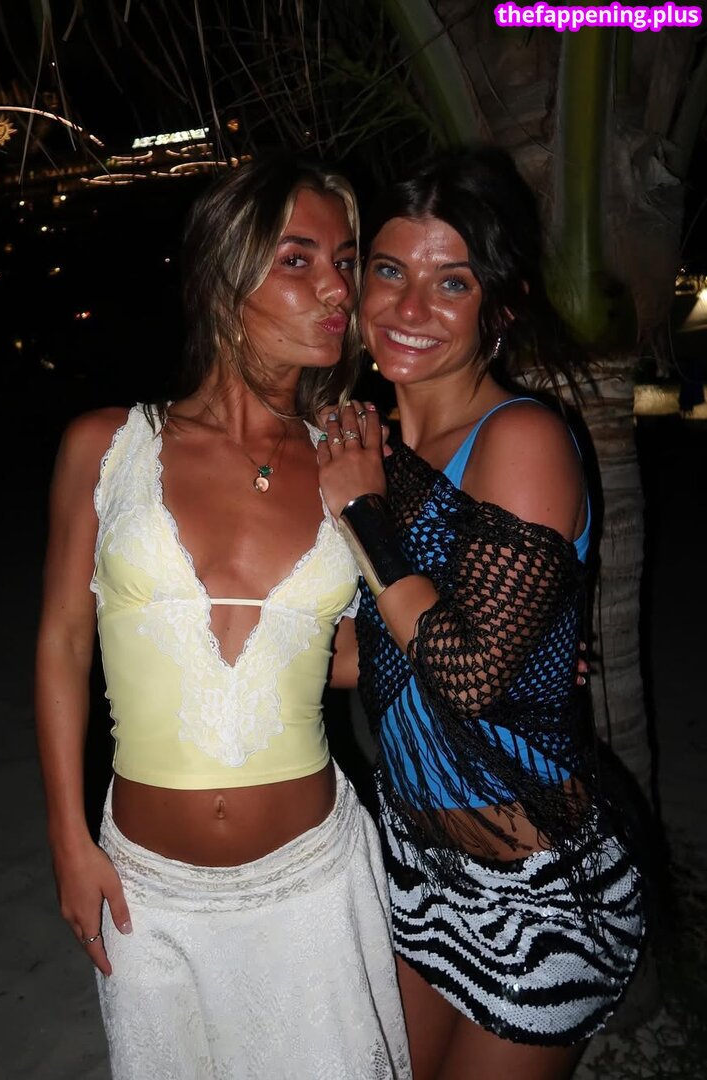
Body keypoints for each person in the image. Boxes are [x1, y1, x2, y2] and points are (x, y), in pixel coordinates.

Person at [33, 151, 411, 1079]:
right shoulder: (107, 445)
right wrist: (67, 840)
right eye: (298, 259)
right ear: (224, 276)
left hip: (311, 882)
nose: (337, 288)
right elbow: (64, 640)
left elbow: (358, 653)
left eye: (344, 261)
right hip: (146, 889)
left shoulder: (351, 458)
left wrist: (501, 643)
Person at [316, 146, 646, 1079]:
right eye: (389, 271)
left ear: (498, 310)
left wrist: (362, 514)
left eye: (450, 282)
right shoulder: (370, 447)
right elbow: (361, 657)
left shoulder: (521, 437)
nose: (409, 307)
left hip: (538, 890)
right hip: (415, 866)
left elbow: (466, 677)